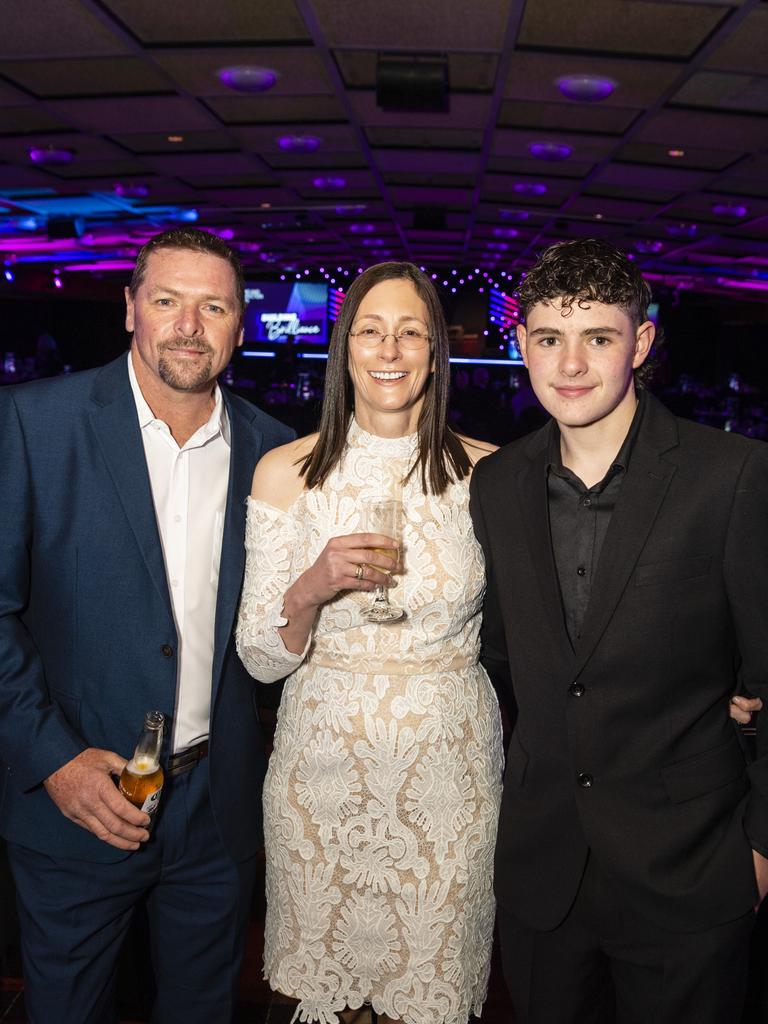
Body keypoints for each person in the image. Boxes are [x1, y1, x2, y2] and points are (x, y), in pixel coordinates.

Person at [470, 238, 768, 1023]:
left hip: (690, 869)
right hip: (544, 873)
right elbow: (503, 657)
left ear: (639, 342)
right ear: (522, 344)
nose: (569, 365)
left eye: (597, 338)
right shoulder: (496, 483)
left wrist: (763, 847)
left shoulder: (732, 475)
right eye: (548, 339)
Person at [0, 227, 294, 1023]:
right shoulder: (32, 424)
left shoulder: (276, 454)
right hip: (79, 799)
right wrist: (55, 762)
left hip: (218, 809)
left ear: (241, 324)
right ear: (132, 309)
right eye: (167, 301)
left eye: (214, 306)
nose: (189, 326)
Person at [235, 262, 503, 1024]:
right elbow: (259, 656)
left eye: (411, 331)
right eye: (372, 330)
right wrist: (312, 586)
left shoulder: (489, 474)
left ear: (436, 351)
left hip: (449, 779)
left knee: (433, 998)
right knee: (328, 1001)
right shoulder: (286, 472)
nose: (391, 349)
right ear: (344, 347)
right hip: (322, 779)